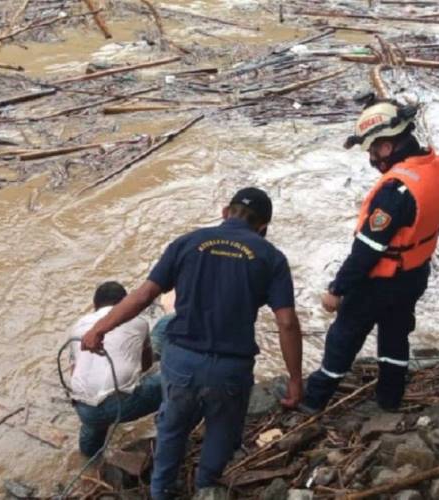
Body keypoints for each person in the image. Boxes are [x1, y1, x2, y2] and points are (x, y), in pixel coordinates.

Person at [80, 187, 304, 499]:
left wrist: (100, 328)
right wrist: (295, 378)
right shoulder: (271, 258)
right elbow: (287, 322)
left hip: (181, 362)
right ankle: (205, 487)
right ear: (263, 227)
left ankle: (161, 491)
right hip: (230, 368)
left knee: (172, 428)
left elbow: (144, 295)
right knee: (222, 431)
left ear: (225, 212)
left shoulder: (187, 242)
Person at [302, 97, 439, 413]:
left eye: (372, 151)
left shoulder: (395, 192)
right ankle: (390, 397)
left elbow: (367, 250)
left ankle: (314, 399)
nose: (372, 159)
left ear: (387, 147)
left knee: (344, 337)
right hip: (415, 273)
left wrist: (337, 289)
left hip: (380, 280)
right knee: (396, 335)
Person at [68, 281, 162, 457]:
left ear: (95, 305)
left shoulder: (78, 325)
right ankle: (168, 429)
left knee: (94, 414)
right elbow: (146, 365)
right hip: (121, 405)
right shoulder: (139, 321)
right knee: (175, 380)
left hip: (84, 409)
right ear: (125, 304)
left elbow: (74, 370)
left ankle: (89, 457)